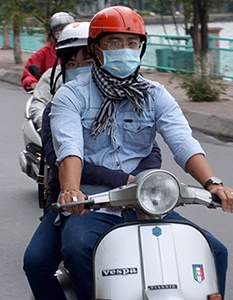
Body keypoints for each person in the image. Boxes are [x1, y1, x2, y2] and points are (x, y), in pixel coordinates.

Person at [27, 6, 233, 300]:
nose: (124, 50)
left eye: (132, 43)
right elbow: (69, 148)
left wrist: (213, 183)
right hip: (91, 206)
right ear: (96, 49)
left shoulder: (155, 94)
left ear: (141, 48)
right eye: (114, 43)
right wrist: (72, 191)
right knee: (73, 250)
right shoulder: (70, 95)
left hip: (144, 203)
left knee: (215, 250)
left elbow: (182, 142)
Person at [23, 19, 163, 299]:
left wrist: (141, 181)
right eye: (71, 64)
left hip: (136, 200)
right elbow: (62, 159)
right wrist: (123, 179)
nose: (80, 70)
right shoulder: (59, 107)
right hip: (79, 202)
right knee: (36, 262)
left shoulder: (133, 96)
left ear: (99, 57)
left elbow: (151, 149)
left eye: (86, 60)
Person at [20, 12, 74, 92]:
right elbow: (28, 74)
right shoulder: (44, 52)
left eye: (66, 28)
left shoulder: (84, 49)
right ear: (52, 33)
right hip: (51, 95)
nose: (63, 31)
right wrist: (33, 84)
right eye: (60, 29)